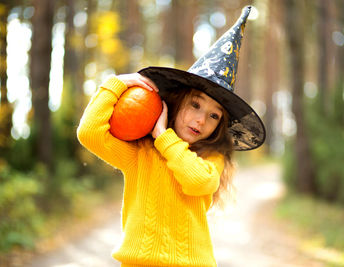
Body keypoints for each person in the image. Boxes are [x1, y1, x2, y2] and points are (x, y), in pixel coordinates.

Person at [77, 6, 265, 267]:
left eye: (214, 116)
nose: (201, 120)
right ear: (177, 103)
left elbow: (198, 182)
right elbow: (90, 133)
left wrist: (164, 138)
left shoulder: (211, 158)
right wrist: (119, 83)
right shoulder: (140, 154)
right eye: (195, 105)